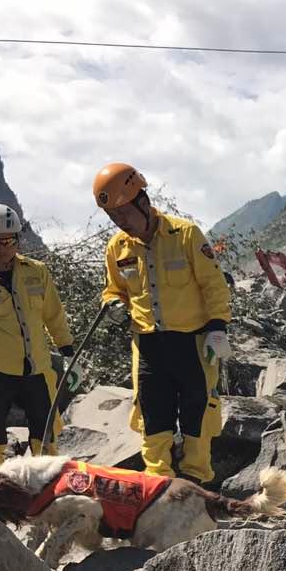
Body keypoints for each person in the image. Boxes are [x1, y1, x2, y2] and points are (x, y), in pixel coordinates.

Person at [94, 163, 231, 484]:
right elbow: (113, 289)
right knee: (153, 417)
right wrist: (112, 302)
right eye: (114, 218)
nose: (121, 223)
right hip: (149, 347)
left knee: (198, 414)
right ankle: (158, 485)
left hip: (195, 344)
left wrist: (218, 327)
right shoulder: (117, 249)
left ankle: (196, 484)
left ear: (142, 201)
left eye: (124, 213)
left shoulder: (185, 235)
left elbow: (213, 284)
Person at [0, 204, 78, 471]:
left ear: (17, 238)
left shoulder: (36, 271)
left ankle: (47, 492)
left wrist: (68, 350)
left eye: (8, 241)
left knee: (47, 434)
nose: (2, 248)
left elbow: (54, 314)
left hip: (37, 367)